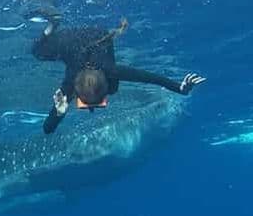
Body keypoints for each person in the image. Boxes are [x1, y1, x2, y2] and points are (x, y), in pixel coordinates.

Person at [28, 11, 206, 134]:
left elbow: (48, 129)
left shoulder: (102, 75)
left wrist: (180, 88)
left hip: (95, 36)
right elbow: (151, 79)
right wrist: (59, 112)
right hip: (77, 39)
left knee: (37, 51)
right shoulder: (78, 80)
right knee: (36, 51)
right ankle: (53, 24)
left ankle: (53, 23)